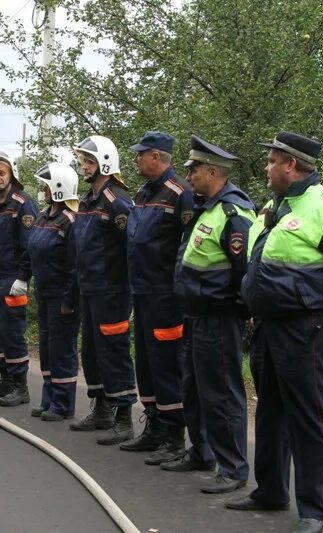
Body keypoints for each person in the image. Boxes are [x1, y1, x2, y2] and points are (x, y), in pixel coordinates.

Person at [226, 131, 323, 533]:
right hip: (268, 327)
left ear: (290, 165)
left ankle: (314, 511)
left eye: (271, 161)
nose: (266, 168)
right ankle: (271, 490)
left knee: (310, 417)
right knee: (271, 410)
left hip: (306, 327)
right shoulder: (274, 206)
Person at [165, 135, 255, 495]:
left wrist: (238, 310)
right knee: (195, 389)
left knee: (222, 393)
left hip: (219, 317)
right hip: (195, 314)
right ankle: (202, 452)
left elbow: (243, 271)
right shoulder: (207, 207)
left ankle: (233, 468)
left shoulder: (234, 213)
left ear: (213, 171)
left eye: (194, 169)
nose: (188, 175)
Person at [121, 131, 194, 465]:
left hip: (166, 296)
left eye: (140, 155)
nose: (136, 160)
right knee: (147, 364)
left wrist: (178, 290)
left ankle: (174, 435)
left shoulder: (181, 193)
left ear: (156, 156)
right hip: (142, 291)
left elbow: (188, 246)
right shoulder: (142, 192)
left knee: (167, 365)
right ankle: (153, 427)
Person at [69, 135, 137, 445]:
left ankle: (123, 416)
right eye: (83, 160)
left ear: (105, 163)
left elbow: (131, 249)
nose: (84, 166)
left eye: (90, 161)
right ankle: (101, 408)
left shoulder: (117, 202)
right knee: (92, 351)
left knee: (113, 351)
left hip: (112, 291)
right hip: (90, 288)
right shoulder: (87, 201)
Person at [0, 150, 39, 407]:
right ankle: (5, 379)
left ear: (12, 173)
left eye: (2, 173)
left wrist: (23, 277)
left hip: (13, 279)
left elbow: (30, 245)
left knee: (13, 334)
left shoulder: (22, 203)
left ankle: (20, 386)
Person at [23, 162, 81, 421]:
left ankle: (62, 403)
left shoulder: (69, 220)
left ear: (59, 187)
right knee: (47, 347)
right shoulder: (45, 216)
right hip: (44, 292)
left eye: (47, 185)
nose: (43, 189)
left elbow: (75, 265)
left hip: (61, 295)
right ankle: (49, 399)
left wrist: (69, 299)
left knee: (61, 349)